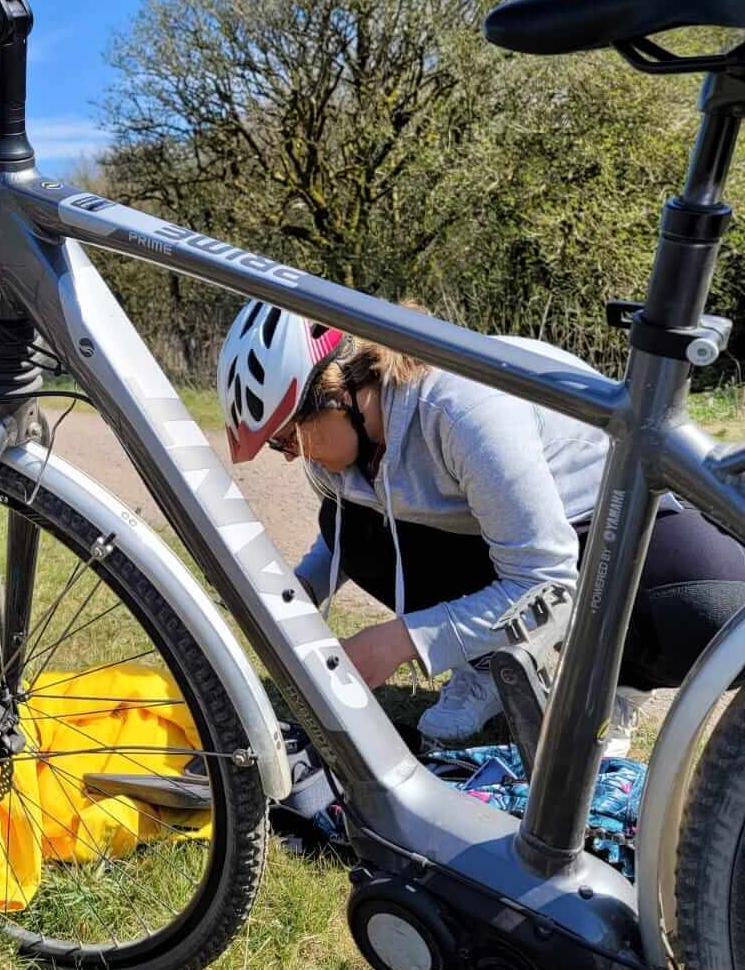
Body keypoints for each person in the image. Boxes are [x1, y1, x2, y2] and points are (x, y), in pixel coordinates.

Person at [216, 302, 745, 752]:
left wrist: (398, 641)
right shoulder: (346, 437)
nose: (291, 456)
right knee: (353, 524)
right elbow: (346, 537)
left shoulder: (461, 411)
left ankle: (616, 689)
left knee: (713, 614)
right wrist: (301, 590)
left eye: (286, 438)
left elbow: (547, 581)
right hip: (516, 535)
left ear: (338, 394)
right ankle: (487, 662)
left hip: (615, 522)